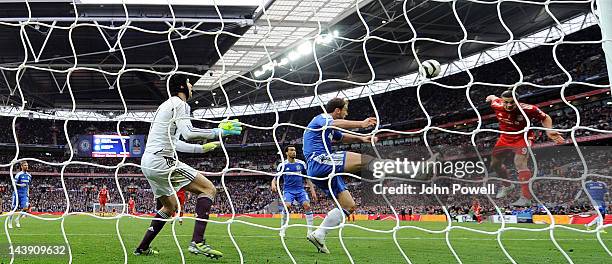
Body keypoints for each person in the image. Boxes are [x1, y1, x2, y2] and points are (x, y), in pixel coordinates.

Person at [303, 98, 436, 254]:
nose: (347, 113)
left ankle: (319, 234)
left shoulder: (329, 127)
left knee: (349, 205)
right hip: (320, 160)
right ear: (337, 110)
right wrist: (361, 124)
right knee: (367, 161)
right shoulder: (323, 118)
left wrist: (361, 138)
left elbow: (341, 136)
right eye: (345, 110)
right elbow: (333, 124)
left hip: (320, 170)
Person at [134, 74, 242, 258]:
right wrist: (219, 131)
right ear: (183, 86)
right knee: (208, 189)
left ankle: (142, 248)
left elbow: (175, 142)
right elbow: (189, 132)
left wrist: (201, 149)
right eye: (190, 84)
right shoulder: (180, 104)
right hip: (162, 160)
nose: (192, 87)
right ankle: (197, 242)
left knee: (169, 208)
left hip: (148, 162)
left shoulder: (165, 106)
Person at [487, 90, 564, 206]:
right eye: (506, 102)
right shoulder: (497, 105)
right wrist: (491, 96)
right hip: (505, 138)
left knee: (519, 163)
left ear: (517, 101)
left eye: (512, 102)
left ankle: (526, 198)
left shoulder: (528, 108)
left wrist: (549, 130)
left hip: (523, 137)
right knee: (494, 164)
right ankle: (507, 185)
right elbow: (493, 97)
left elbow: (545, 117)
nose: (508, 105)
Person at [271, 145, 317, 237]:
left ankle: (310, 231)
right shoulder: (282, 165)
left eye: (294, 150)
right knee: (287, 206)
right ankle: (282, 229)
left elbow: (307, 179)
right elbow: (275, 178)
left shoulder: (301, 164)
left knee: (307, 206)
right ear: (286, 153)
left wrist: (313, 191)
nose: (294, 152)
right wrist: (273, 184)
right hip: (288, 190)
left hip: (300, 190)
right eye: (291, 150)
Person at [9, 161, 31, 229]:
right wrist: (20, 185)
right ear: (21, 166)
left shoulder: (29, 175)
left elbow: (28, 185)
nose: (26, 166)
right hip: (17, 193)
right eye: (25, 165)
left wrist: (28, 193)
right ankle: (9, 222)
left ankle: (17, 219)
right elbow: (13, 184)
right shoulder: (18, 175)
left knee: (25, 207)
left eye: (27, 165)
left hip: (24, 194)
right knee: (13, 209)